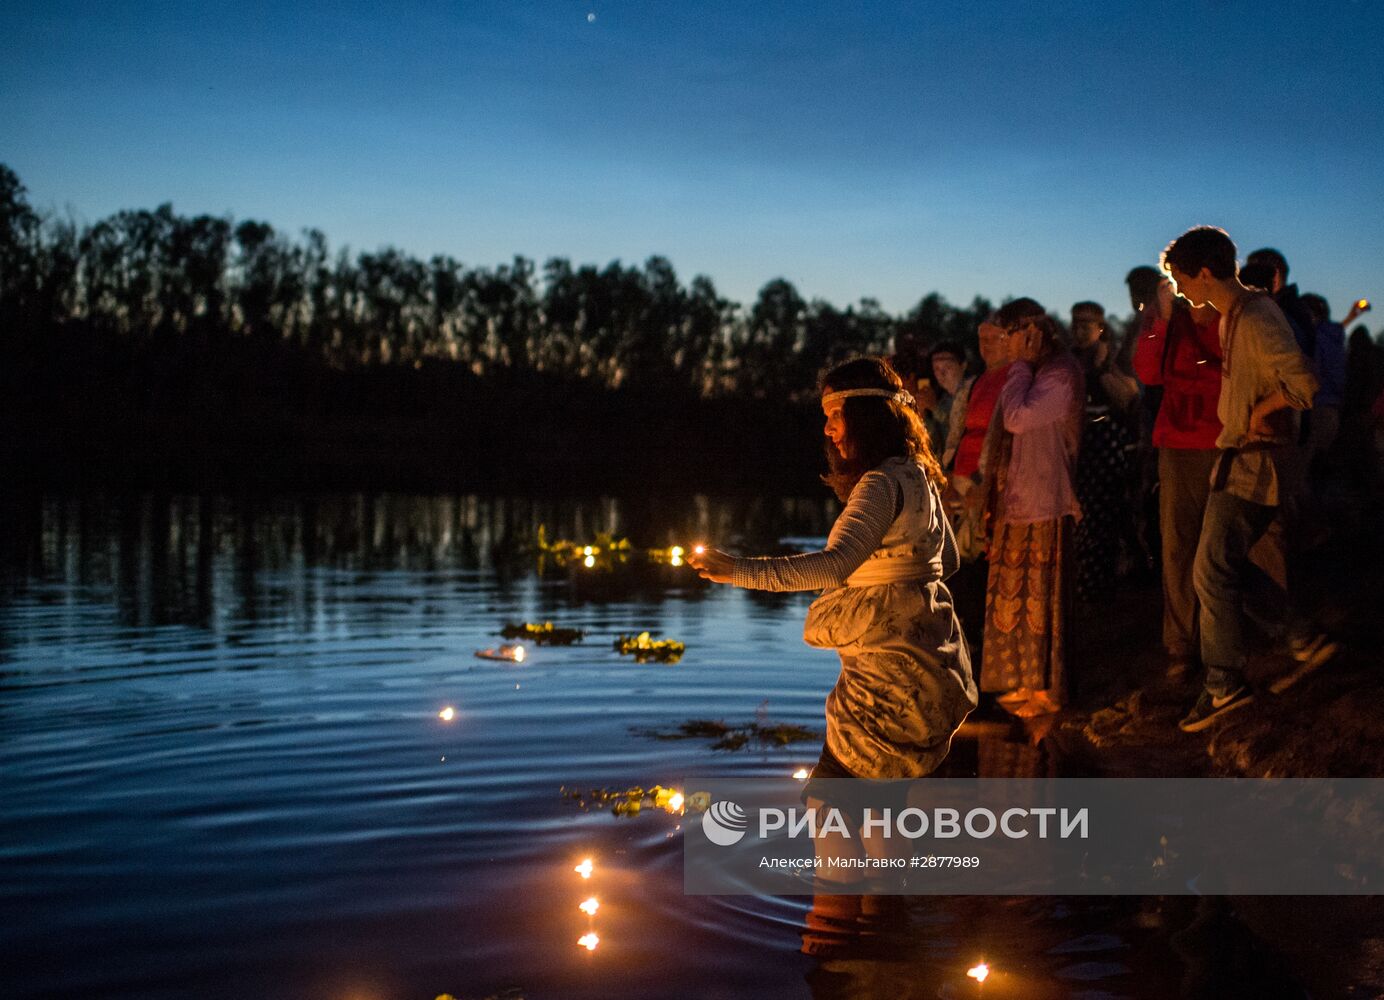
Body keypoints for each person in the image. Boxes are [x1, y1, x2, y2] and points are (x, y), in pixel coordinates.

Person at [688, 356, 978, 781]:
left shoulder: (879, 484)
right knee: (884, 808)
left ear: (866, 416)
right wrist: (899, 582)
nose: (828, 429)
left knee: (831, 804)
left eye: (836, 416)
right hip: (929, 664)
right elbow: (946, 559)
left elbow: (835, 565)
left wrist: (737, 570)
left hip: (882, 681)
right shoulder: (919, 474)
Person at [1159, 226, 1333, 733]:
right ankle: (1299, 633)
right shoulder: (1236, 316)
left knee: (1212, 568)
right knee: (1218, 565)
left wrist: (1265, 409)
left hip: (1255, 460)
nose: (1178, 289)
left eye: (1180, 278)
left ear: (1206, 273)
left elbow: (1305, 383)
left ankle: (1224, 684)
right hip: (1239, 456)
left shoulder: (1255, 317)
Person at [977, 298, 1084, 717]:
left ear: (1030, 333)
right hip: (1017, 499)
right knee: (1013, 600)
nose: (1004, 345)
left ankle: (1046, 689)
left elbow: (1018, 418)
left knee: (1040, 601)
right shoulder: (1033, 371)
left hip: (1045, 498)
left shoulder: (1060, 373)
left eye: (1009, 336)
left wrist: (1019, 364)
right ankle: (1021, 683)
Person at [1132, 278, 1224, 678]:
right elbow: (1148, 372)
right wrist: (1164, 319)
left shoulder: (1231, 314)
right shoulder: (1164, 319)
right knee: (1178, 544)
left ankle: (1258, 633)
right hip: (1178, 444)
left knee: (1237, 542)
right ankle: (1182, 644)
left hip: (1226, 438)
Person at [1070, 300, 1140, 602]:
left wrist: (1100, 369)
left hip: (1105, 442)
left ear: (1101, 327)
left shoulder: (1112, 358)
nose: (1081, 329)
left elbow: (1129, 398)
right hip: (1079, 443)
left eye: (1088, 323)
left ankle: (1099, 588)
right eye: (1077, 323)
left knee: (1102, 514)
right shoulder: (1069, 360)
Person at [915, 341, 969, 461]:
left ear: (963, 365)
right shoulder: (942, 399)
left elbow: (962, 429)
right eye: (936, 368)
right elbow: (935, 441)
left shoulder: (973, 394)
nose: (941, 373)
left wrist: (935, 408)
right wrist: (922, 413)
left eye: (948, 367)